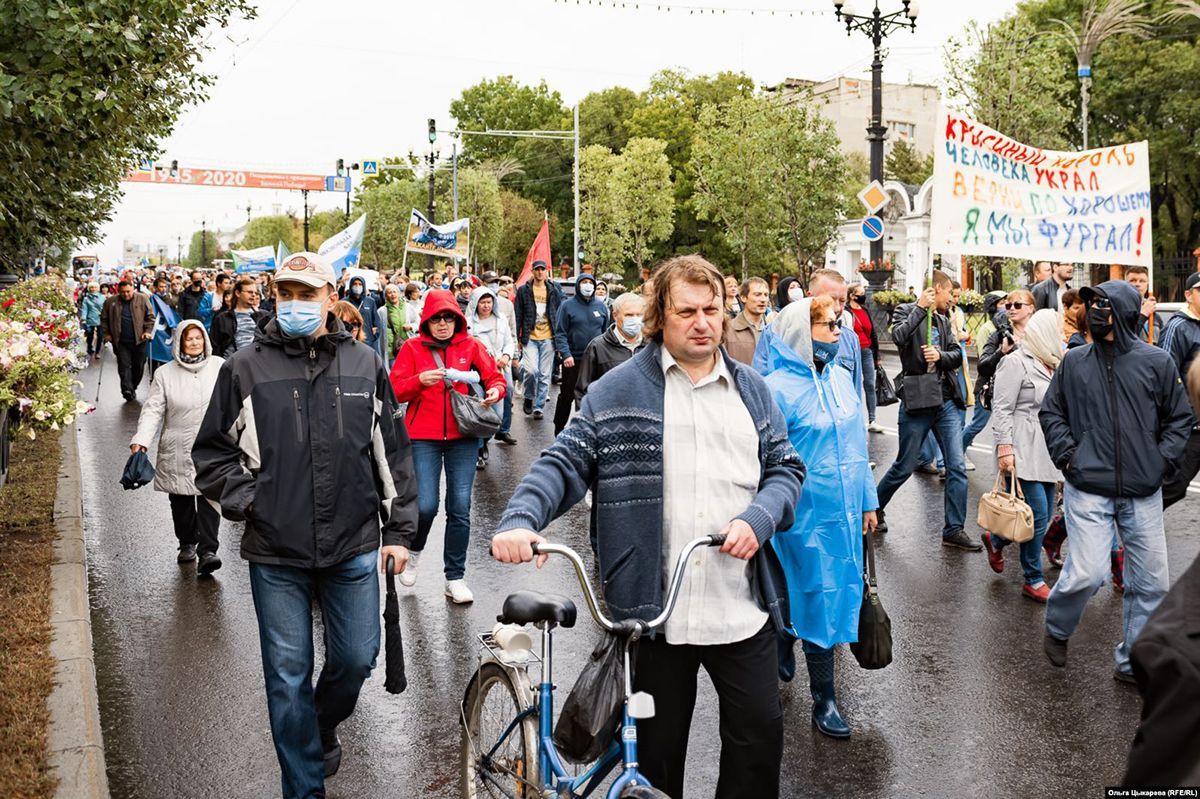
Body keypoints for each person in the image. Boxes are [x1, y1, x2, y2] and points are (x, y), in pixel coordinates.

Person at [491, 254, 804, 799]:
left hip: (741, 608)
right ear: (660, 315)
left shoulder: (753, 390)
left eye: (712, 309)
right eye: (687, 311)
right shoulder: (616, 391)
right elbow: (564, 463)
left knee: (758, 749)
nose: (703, 321)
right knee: (654, 767)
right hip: (654, 615)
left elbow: (785, 468)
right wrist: (521, 519)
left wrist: (760, 515)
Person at [192, 251, 417, 798]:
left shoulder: (365, 363)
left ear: (330, 295)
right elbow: (211, 455)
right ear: (274, 296)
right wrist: (254, 501)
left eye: (307, 293)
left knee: (356, 658)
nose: (295, 304)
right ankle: (304, 786)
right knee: (287, 678)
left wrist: (400, 532)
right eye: (286, 293)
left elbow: (393, 453)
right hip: (276, 553)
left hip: (354, 544)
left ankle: (319, 726)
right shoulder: (244, 368)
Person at [1039, 280, 1193, 683]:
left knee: (1152, 583)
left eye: (1103, 303)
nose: (1094, 309)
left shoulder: (1156, 362)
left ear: (1123, 312)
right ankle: (1057, 627)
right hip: (1088, 487)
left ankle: (1131, 662)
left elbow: (1179, 420)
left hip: (1143, 491)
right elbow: (1051, 413)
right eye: (1090, 303)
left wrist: (1160, 462)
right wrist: (1069, 457)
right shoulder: (1074, 363)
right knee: (1088, 574)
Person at [756, 296, 877, 739]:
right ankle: (824, 699)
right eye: (828, 326)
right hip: (800, 517)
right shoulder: (773, 388)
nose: (838, 333)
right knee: (815, 594)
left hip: (843, 515)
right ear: (801, 335)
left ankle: (787, 634)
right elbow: (764, 459)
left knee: (832, 593)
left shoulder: (843, 378)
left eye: (839, 324)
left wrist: (868, 501)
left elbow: (859, 445)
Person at [389, 289, 504, 604]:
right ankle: (414, 552)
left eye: (448, 318)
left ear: (457, 319)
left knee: (460, 507)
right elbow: (395, 390)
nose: (442, 324)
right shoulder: (412, 348)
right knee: (425, 505)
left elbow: (495, 378)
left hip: (463, 437)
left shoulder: (471, 345)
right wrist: (418, 382)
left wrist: (494, 392)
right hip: (422, 437)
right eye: (437, 318)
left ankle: (455, 577)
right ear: (426, 319)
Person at [873, 271, 979, 551]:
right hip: (918, 400)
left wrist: (940, 357)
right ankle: (874, 507)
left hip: (945, 401)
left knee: (956, 466)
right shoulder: (906, 310)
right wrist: (920, 308)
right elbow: (898, 337)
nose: (951, 299)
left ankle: (954, 529)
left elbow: (957, 353)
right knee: (905, 465)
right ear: (937, 290)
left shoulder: (945, 320)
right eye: (949, 294)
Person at [981, 309, 1064, 602]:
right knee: (1038, 514)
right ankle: (1033, 577)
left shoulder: (1055, 361)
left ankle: (998, 538)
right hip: (1022, 444)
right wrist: (1005, 449)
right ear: (1045, 332)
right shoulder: (1014, 362)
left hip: (1049, 447)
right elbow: (1001, 408)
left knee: (1043, 512)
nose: (1063, 333)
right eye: (1058, 328)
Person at [130, 320, 225, 573]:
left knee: (210, 497)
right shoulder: (165, 374)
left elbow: (234, 404)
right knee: (181, 500)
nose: (194, 343)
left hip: (212, 445)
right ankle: (186, 542)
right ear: (180, 342)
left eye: (198, 338)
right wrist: (141, 441)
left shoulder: (220, 367)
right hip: (177, 446)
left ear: (205, 339)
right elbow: (152, 410)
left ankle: (208, 551)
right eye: (188, 338)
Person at [1159, 271, 1200, 509]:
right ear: (1188, 295)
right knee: (1174, 486)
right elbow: (1166, 376)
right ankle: (1134, 529)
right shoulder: (1178, 327)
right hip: (1191, 426)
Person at [551, 273, 609, 436]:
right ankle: (559, 428)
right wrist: (566, 354)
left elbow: (606, 333)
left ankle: (587, 430)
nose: (587, 286)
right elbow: (560, 333)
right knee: (567, 395)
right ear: (578, 285)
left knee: (593, 395)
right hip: (573, 359)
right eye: (583, 282)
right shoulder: (567, 306)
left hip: (596, 360)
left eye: (590, 282)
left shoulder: (601, 307)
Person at [468, 285, 516, 463]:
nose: (486, 306)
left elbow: (509, 342)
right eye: (482, 302)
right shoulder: (468, 323)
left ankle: (497, 432)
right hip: (477, 372)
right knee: (481, 406)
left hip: (500, 368)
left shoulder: (501, 319)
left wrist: (506, 355)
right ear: (476, 303)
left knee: (501, 404)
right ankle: (480, 446)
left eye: (489, 302)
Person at [575, 291, 647, 402]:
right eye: (629, 315)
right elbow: (583, 392)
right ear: (615, 315)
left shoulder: (652, 346)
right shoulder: (597, 347)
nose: (635, 319)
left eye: (639, 315)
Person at [514, 259, 563, 419]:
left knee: (544, 374)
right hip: (530, 337)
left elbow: (560, 312)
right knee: (531, 370)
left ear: (547, 271)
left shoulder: (554, 289)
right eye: (537, 269)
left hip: (549, 337)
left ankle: (539, 406)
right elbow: (518, 314)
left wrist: (560, 338)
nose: (540, 272)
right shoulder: (524, 290)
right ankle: (529, 396)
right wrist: (518, 337)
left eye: (543, 269)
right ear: (533, 271)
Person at [101, 280, 155, 401]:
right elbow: (104, 319)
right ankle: (126, 389)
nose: (126, 294)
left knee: (139, 366)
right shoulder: (110, 302)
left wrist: (147, 331)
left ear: (133, 289)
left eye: (128, 291)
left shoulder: (142, 299)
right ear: (118, 291)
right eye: (123, 292)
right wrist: (107, 334)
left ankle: (133, 386)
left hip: (139, 340)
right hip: (120, 341)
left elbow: (150, 317)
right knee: (124, 365)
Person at [848, 284, 883, 433]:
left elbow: (873, 333)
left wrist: (877, 356)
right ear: (852, 296)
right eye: (861, 293)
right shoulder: (846, 312)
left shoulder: (865, 311)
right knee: (852, 385)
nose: (864, 296)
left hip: (867, 351)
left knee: (869, 384)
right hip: (852, 352)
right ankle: (854, 418)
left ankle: (872, 420)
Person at [210, 276, 268, 358]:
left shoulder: (263, 316)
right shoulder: (222, 318)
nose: (253, 295)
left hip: (257, 365)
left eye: (255, 293)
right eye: (249, 292)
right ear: (237, 293)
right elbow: (215, 345)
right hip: (231, 365)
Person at [725, 277, 770, 365]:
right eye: (757, 294)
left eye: (766, 295)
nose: (763, 300)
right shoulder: (728, 330)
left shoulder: (773, 330)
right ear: (743, 298)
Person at [1125, 265, 1164, 345]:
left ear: (1147, 285)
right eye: (1133, 280)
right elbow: (1126, 338)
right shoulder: (1120, 309)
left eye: (1142, 281)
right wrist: (1143, 315)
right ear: (1125, 283)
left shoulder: (1155, 317)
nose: (1137, 284)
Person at [344, 275, 382, 357]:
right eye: (355, 284)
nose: (357, 286)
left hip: (368, 342)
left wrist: (373, 336)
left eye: (360, 284)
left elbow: (377, 322)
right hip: (350, 342)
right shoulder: (344, 302)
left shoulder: (370, 302)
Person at [382, 284, 408, 366]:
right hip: (391, 350)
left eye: (394, 292)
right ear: (386, 296)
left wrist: (411, 327)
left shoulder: (408, 307)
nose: (392, 294)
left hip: (407, 347)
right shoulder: (382, 311)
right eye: (389, 292)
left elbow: (417, 322)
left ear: (399, 293)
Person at [80, 281, 105, 359]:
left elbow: (105, 308)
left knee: (100, 336)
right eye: (91, 287)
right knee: (89, 335)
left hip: (100, 318)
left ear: (97, 288)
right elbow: (84, 309)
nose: (93, 289)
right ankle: (89, 348)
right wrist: (83, 318)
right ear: (89, 288)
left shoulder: (102, 297)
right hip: (90, 318)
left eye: (95, 287)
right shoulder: (86, 299)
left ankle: (97, 352)